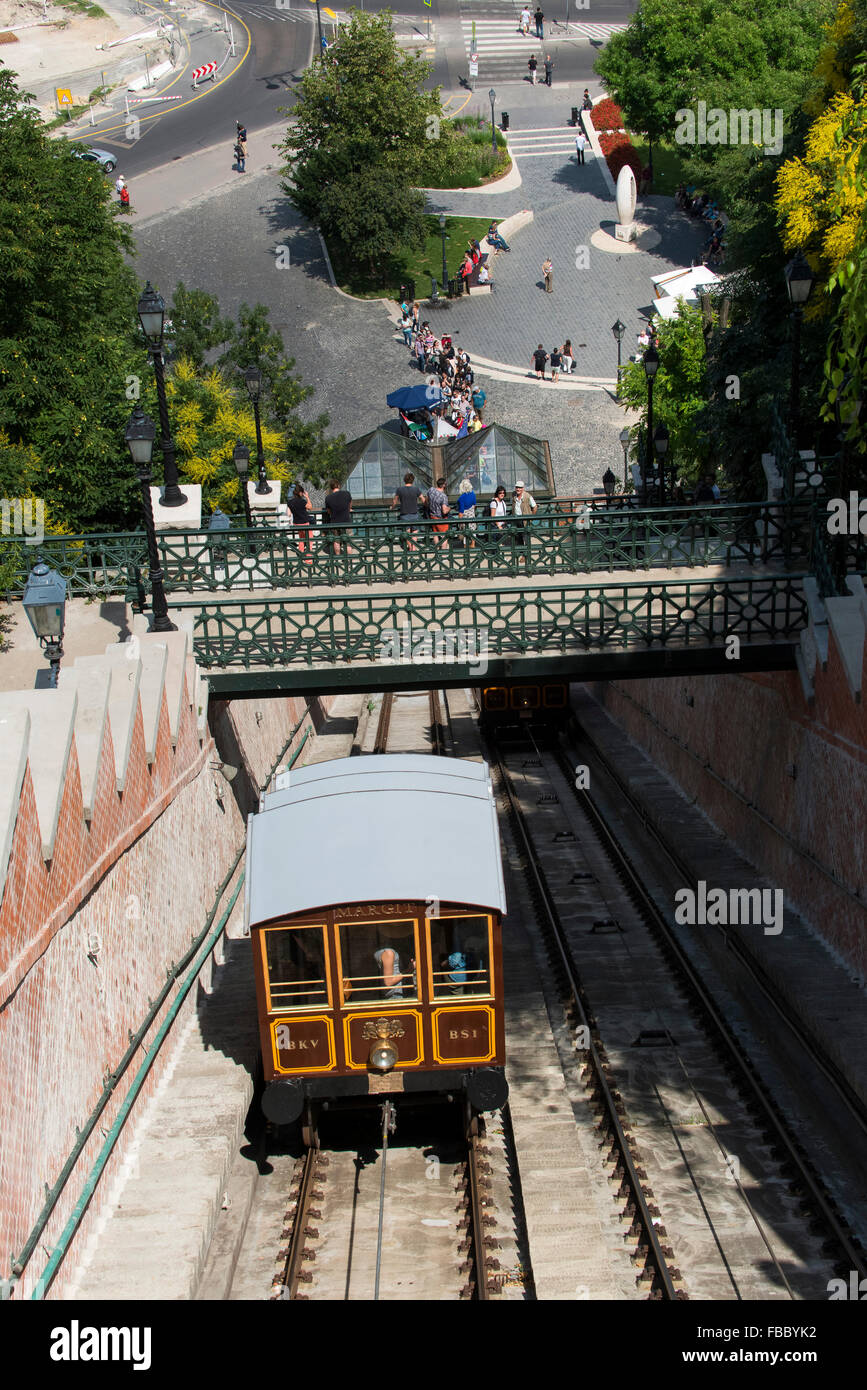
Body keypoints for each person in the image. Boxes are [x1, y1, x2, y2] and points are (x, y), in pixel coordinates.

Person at [393, 470, 426, 550]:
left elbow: (395, 500)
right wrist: (426, 505)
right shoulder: (416, 489)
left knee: (406, 532)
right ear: (413, 480)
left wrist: (392, 507)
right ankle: (413, 547)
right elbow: (423, 499)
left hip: (404, 513)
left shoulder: (400, 489)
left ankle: (410, 547)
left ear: (404, 480)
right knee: (414, 531)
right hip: (414, 512)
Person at [322, 478, 352, 553]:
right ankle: (350, 561)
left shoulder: (328, 498)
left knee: (336, 542)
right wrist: (349, 509)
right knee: (348, 543)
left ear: (331, 488)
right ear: (338, 486)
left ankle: (337, 559)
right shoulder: (346, 494)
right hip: (346, 522)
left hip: (335, 523)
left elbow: (329, 511)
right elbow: (350, 504)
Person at [286, 482, 314, 561]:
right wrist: (307, 497)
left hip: (296, 523)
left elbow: (288, 514)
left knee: (301, 538)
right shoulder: (302, 501)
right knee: (309, 540)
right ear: (300, 493)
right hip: (304, 523)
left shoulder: (290, 502)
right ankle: (308, 558)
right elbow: (310, 507)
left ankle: (301, 554)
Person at [512, 480, 537, 552]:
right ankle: (521, 551)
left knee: (526, 536)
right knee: (518, 535)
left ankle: (526, 553)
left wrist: (531, 517)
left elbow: (535, 507)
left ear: (523, 488)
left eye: (520, 488)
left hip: (525, 519)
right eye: (517, 487)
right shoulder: (513, 495)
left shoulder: (527, 496)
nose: (518, 489)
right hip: (516, 518)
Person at [427, 476, 450, 546]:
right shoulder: (443, 496)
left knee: (435, 533)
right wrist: (449, 508)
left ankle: (436, 550)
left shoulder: (431, 490)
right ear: (443, 485)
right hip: (441, 518)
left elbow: (426, 501)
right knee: (445, 536)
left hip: (432, 516)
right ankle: (443, 553)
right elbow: (444, 511)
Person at [458, 477, 477, 549]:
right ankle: (473, 543)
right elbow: (474, 505)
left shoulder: (461, 498)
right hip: (472, 515)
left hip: (465, 516)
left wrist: (459, 521)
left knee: (465, 531)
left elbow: (461, 511)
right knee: (472, 530)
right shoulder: (473, 494)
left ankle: (465, 545)